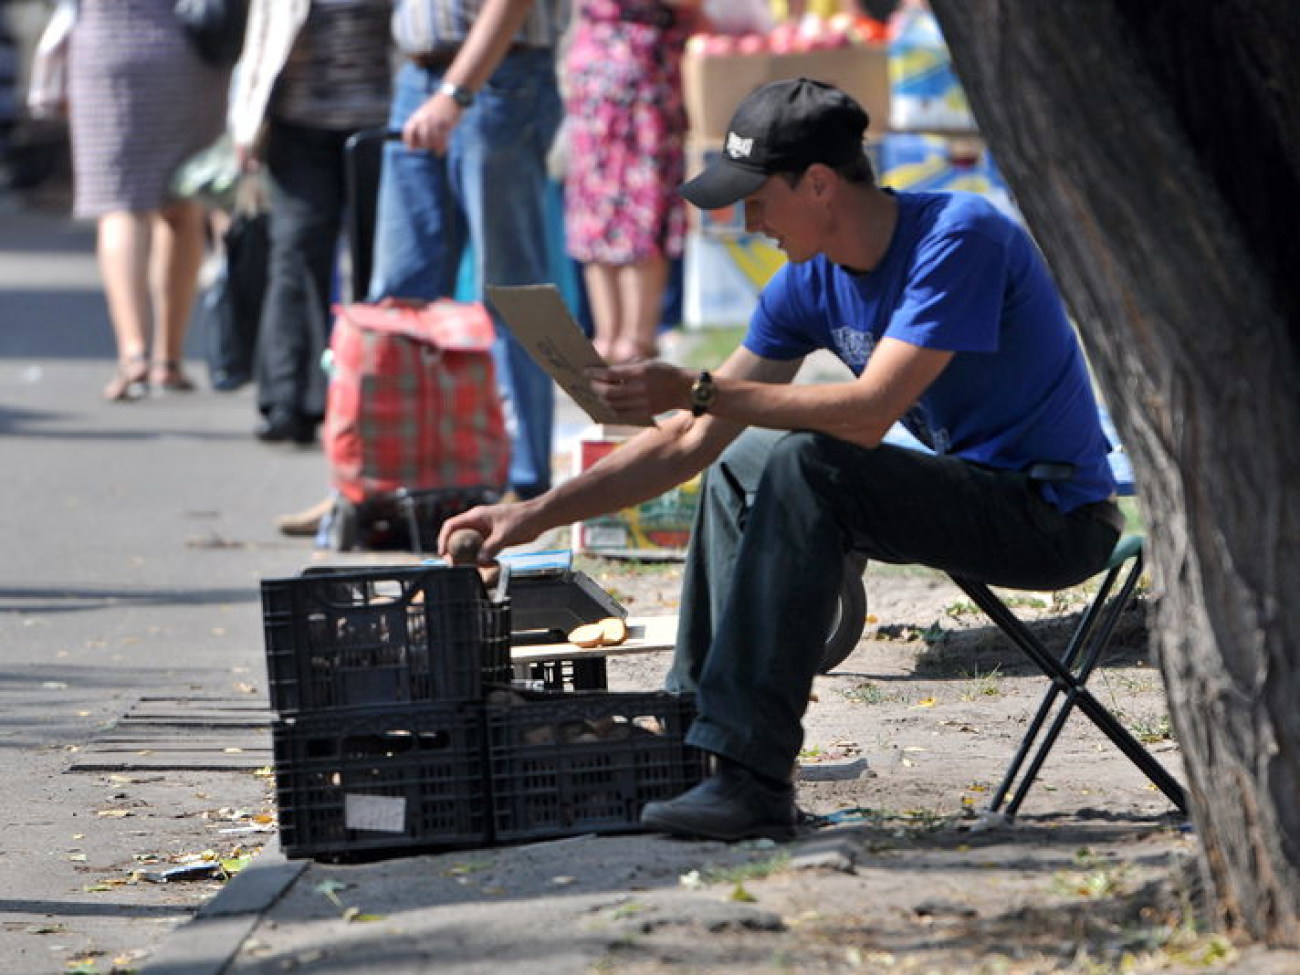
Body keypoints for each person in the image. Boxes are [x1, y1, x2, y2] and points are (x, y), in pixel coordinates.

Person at [437, 78, 1123, 841]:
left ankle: (755, 781)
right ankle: (699, 740)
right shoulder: (805, 283)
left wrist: (698, 387)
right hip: (965, 497)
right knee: (743, 459)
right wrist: (529, 514)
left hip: (1052, 516)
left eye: (756, 199)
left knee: (806, 460)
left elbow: (868, 412)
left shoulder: (961, 236)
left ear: (820, 184)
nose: (747, 220)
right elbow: (692, 440)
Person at [370, 0, 566, 500]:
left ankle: (525, 486)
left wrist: (456, 91)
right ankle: (383, 480)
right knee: (399, 297)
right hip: (418, 75)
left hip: (499, 76)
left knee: (513, 292)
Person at [228, 0, 393, 445]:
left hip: (383, 124)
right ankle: (290, 400)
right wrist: (245, 122)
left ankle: (374, 398)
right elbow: (261, 32)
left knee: (377, 263)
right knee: (295, 252)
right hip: (297, 125)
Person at [67, 0, 230, 401]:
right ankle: (168, 360)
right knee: (181, 206)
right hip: (189, 55)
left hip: (107, 50)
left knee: (121, 206)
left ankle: (133, 352)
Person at [562, 0, 698, 365]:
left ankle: (633, 340)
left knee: (635, 203)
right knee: (600, 205)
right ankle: (614, 339)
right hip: (616, 71)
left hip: (637, 72)